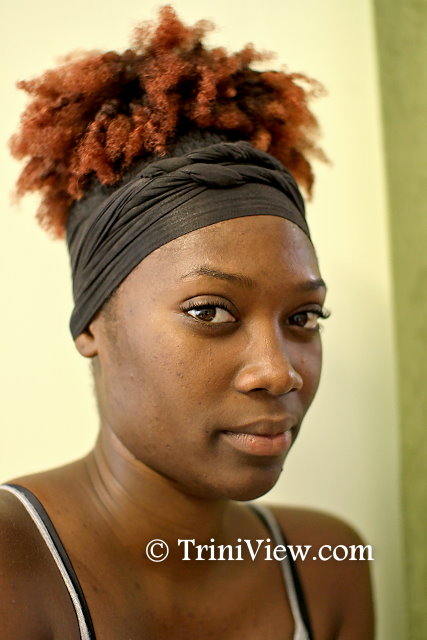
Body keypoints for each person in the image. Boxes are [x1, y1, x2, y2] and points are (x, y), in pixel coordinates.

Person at [0, 6, 374, 639]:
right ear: (92, 324)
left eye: (304, 316)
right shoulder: (14, 564)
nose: (279, 372)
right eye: (209, 312)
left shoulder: (326, 565)